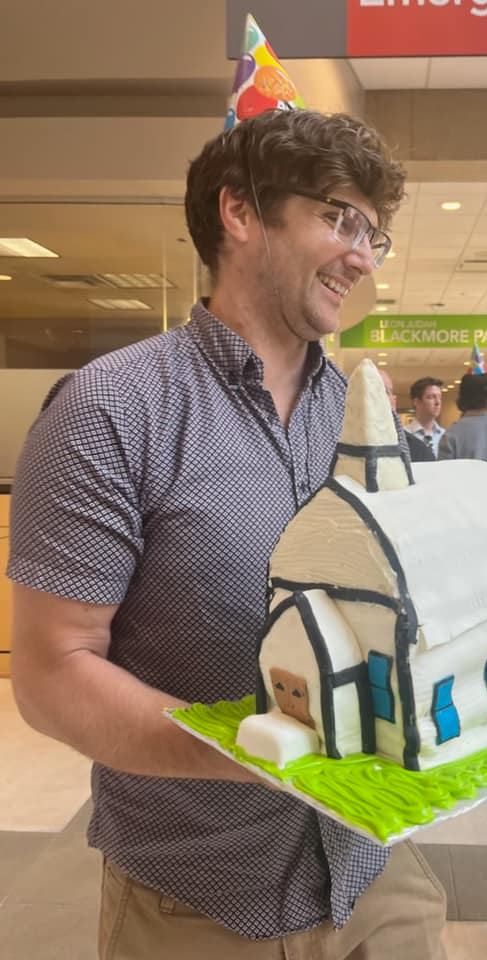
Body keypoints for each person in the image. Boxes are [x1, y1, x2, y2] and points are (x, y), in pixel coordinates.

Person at [8, 109, 448, 960]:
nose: (363, 253)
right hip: (202, 900)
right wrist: (269, 755)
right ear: (240, 213)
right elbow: (51, 674)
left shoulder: (359, 415)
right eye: (338, 216)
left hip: (377, 873)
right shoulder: (111, 411)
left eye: (376, 233)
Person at [377, 367, 435, 463]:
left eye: (383, 391)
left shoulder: (420, 452)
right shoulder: (344, 449)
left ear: (394, 401)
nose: (373, 398)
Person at [407, 376, 444, 456]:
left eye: (440, 397)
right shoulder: (404, 436)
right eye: (431, 397)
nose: (438, 402)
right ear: (417, 402)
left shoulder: (446, 436)